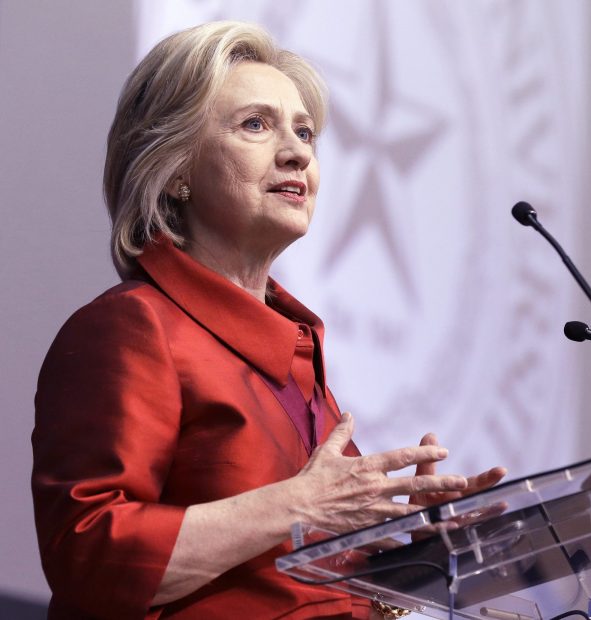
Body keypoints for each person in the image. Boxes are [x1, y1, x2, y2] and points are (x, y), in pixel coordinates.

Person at [31, 21, 506, 620]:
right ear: (175, 169)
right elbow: (90, 559)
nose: (299, 152)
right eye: (255, 124)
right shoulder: (133, 329)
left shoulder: (296, 351)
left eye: (304, 132)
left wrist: (413, 551)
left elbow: (285, 580)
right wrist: (297, 505)